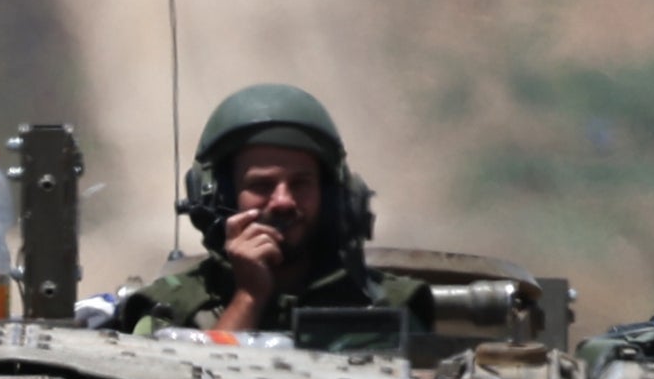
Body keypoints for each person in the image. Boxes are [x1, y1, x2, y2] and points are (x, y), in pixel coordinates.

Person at [109, 81, 431, 341]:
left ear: (333, 196)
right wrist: (249, 295)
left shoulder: (386, 307)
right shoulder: (171, 309)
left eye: (301, 184)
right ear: (218, 197)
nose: (283, 201)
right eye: (262, 186)